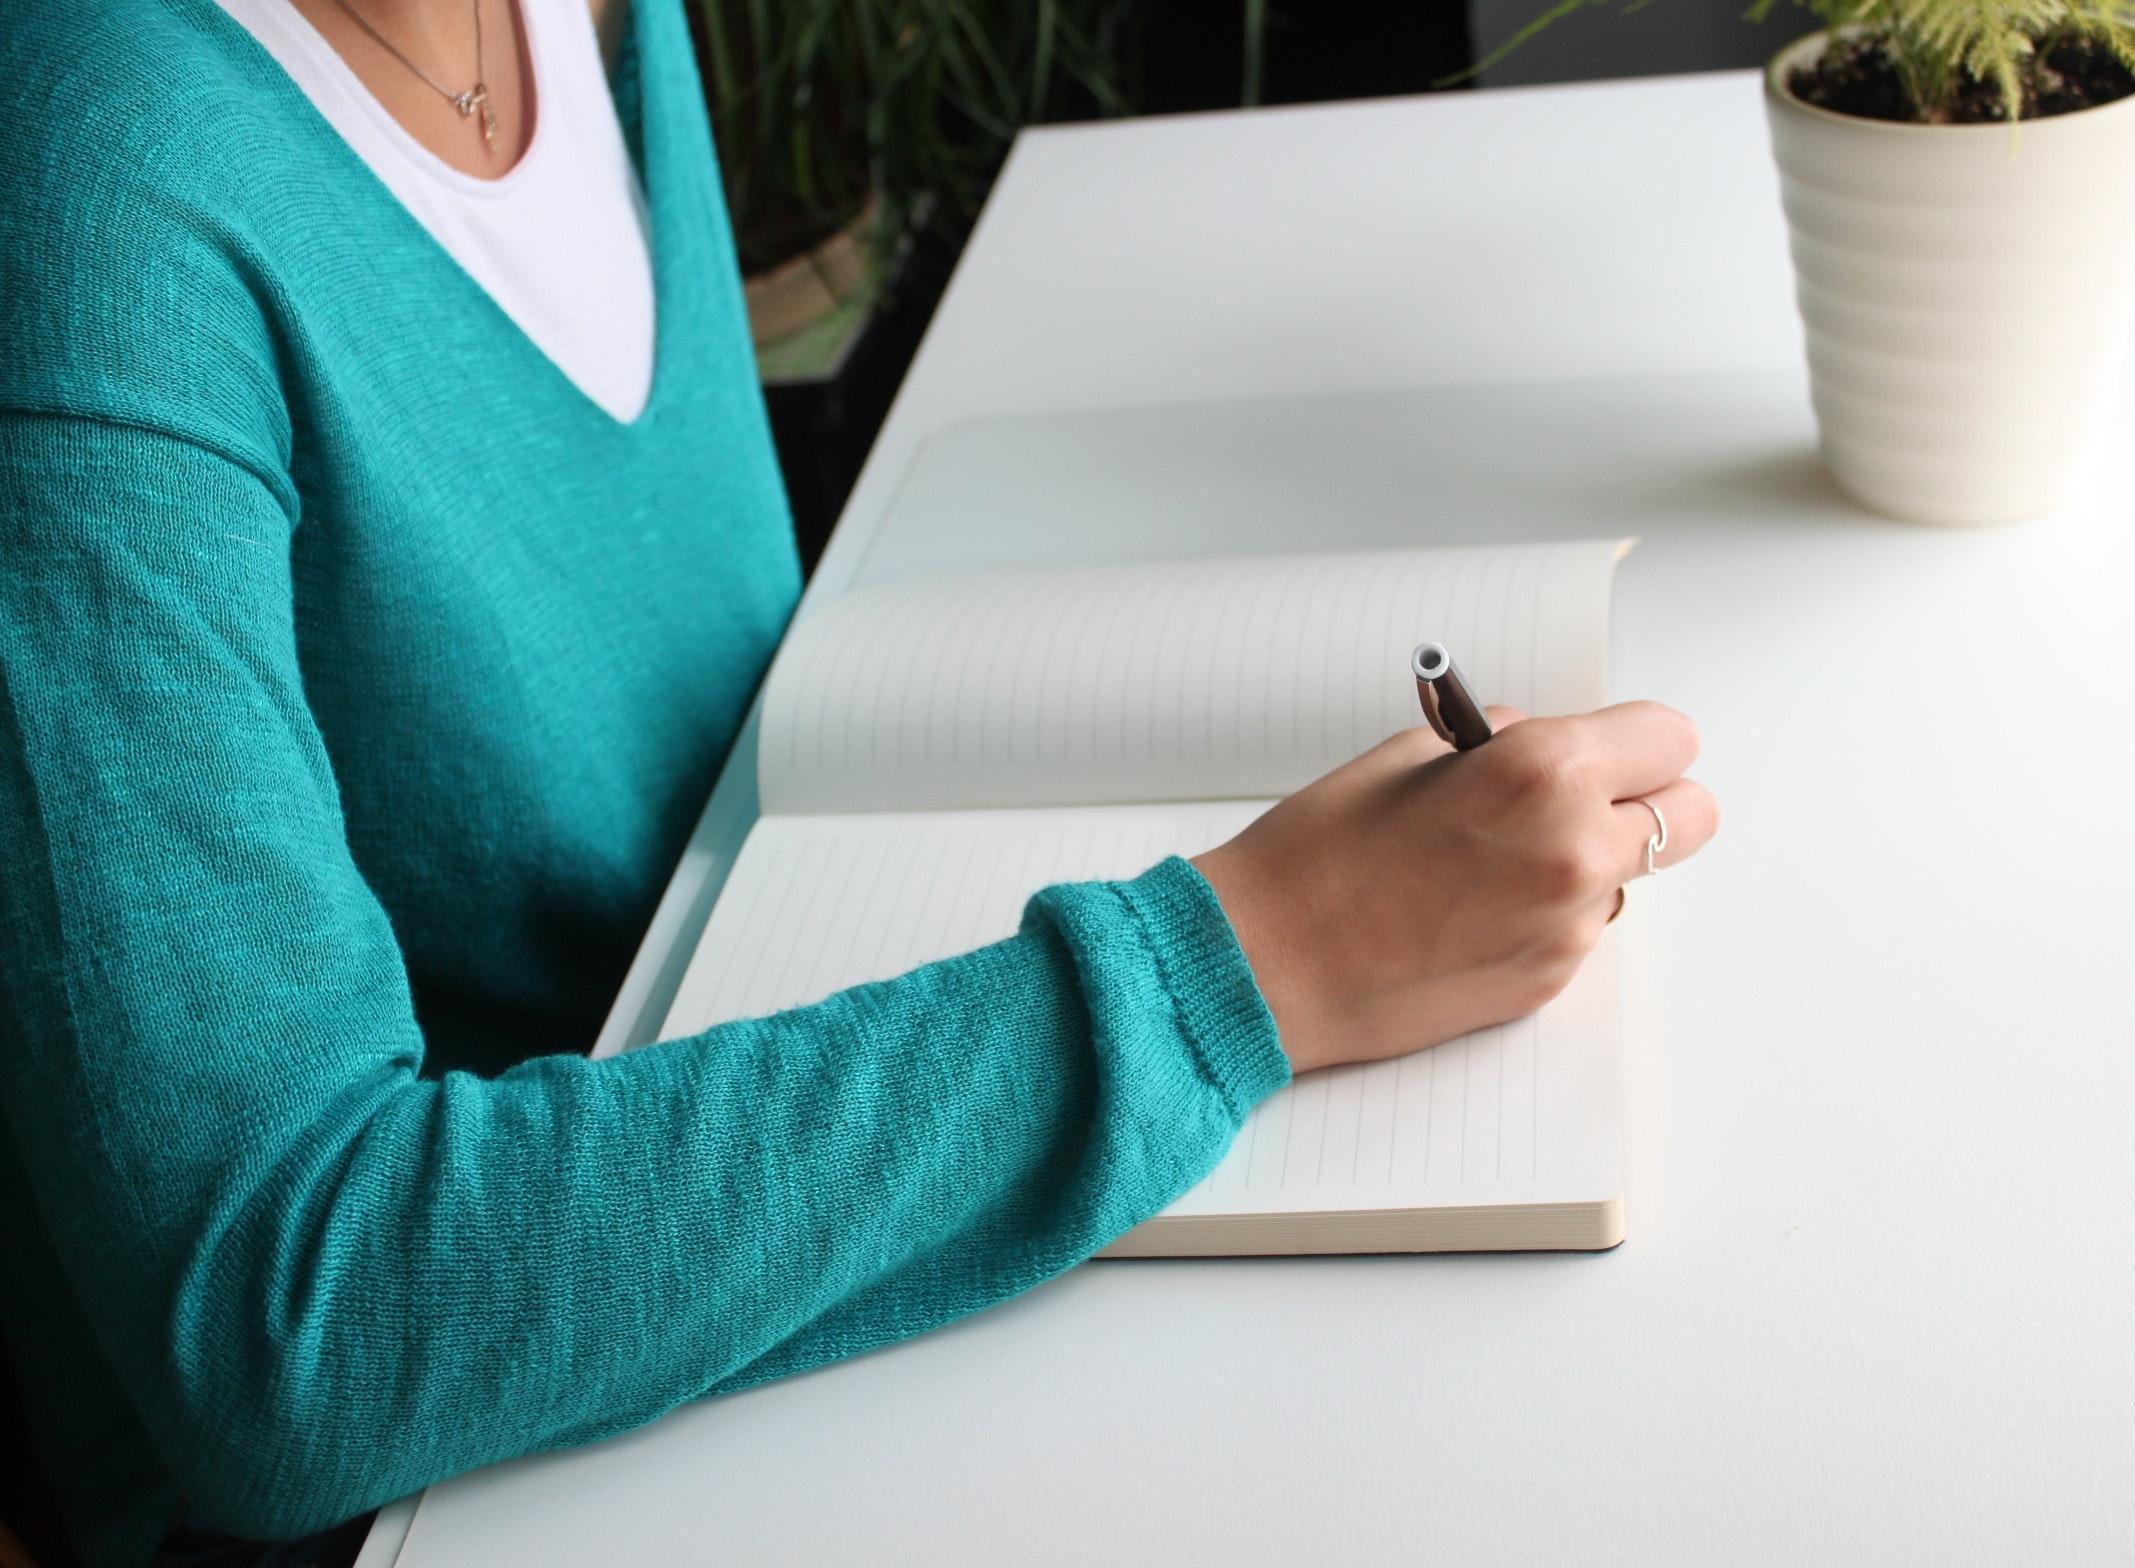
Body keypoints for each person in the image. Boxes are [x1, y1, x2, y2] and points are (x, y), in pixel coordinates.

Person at [0, 2, 1719, 1564]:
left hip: (767, 1173)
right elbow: (281, 1324)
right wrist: (1250, 968)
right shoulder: (90, 204)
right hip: (468, 1483)